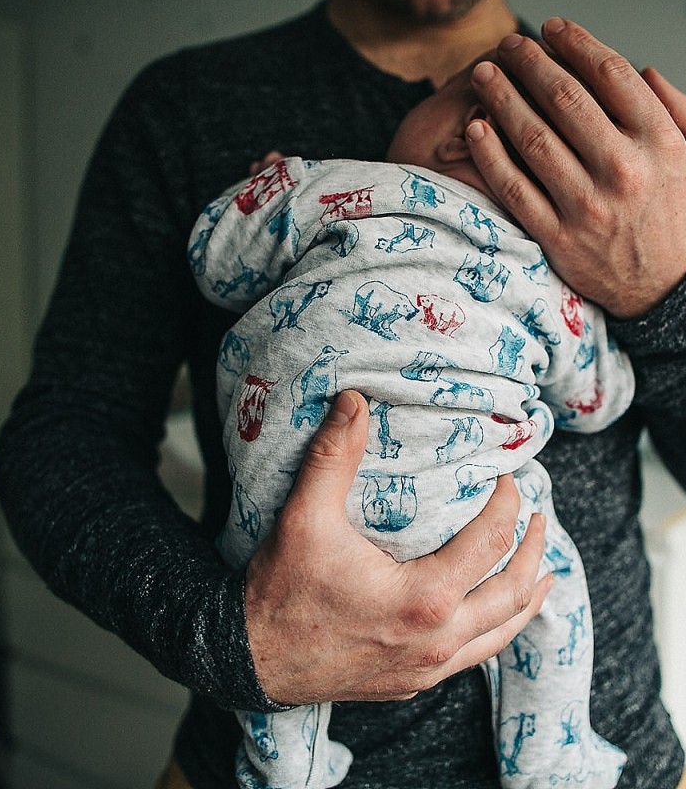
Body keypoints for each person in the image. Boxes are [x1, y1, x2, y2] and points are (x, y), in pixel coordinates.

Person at [0, 0, 686, 788]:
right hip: (240, 734)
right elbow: (67, 432)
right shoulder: (186, 107)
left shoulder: (620, 140)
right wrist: (235, 640)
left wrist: (670, 286)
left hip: (618, 754)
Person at [191, 59, 641, 788]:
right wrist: (609, 319)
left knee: (266, 611)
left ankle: (286, 769)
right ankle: (551, 760)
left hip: (286, 507)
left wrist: (262, 193)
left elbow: (215, 263)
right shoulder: (540, 268)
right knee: (549, 584)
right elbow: (596, 399)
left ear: (463, 137)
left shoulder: (336, 187)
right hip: (465, 509)